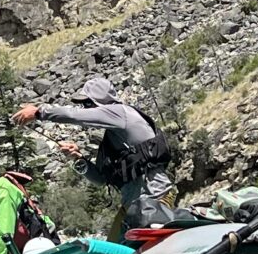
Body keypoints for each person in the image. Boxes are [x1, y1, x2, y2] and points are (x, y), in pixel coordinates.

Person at [15, 77, 174, 233]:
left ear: (101, 102)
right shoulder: (114, 136)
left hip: (154, 198)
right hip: (133, 204)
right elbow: (100, 179)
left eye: (87, 103)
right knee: (115, 252)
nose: (85, 109)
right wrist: (78, 158)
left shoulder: (119, 112)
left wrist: (39, 112)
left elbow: (74, 115)